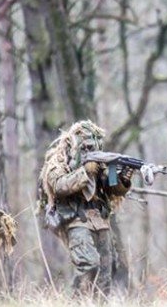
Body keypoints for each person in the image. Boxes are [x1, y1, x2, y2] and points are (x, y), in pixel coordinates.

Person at [38, 120, 133, 295]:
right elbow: (58, 186)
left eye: (94, 147)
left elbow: (111, 188)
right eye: (86, 147)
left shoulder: (100, 164)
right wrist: (85, 172)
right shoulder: (59, 161)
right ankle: (71, 306)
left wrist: (123, 180)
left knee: (105, 274)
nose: (91, 151)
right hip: (76, 220)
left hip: (100, 221)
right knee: (89, 265)